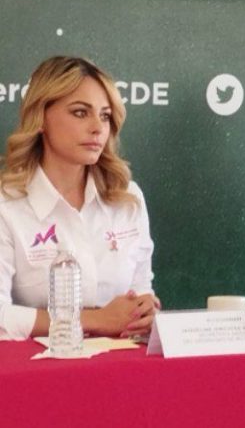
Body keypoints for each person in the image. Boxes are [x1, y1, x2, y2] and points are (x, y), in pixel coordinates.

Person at [0, 56, 159, 340]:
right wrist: (95, 320)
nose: (98, 127)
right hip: (38, 364)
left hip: (121, 361)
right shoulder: (7, 204)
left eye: (105, 116)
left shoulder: (127, 197)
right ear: (41, 118)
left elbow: (141, 291)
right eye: (80, 113)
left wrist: (145, 311)